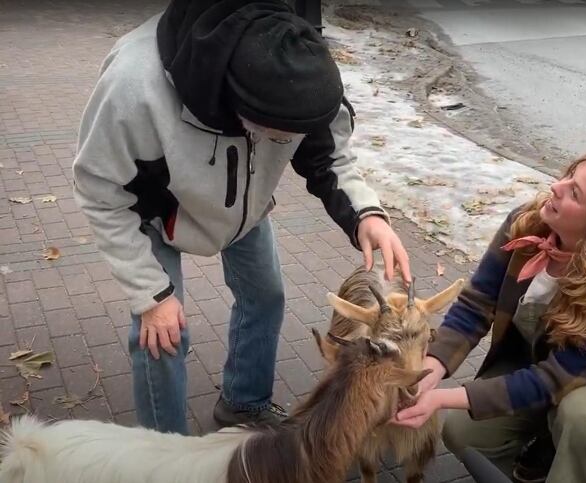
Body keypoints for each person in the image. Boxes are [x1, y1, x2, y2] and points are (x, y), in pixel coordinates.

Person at [73, 0, 411, 435]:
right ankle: (164, 450)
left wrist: (366, 215)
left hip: (243, 212)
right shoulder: (134, 87)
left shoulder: (301, 70)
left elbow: (330, 154)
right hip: (158, 211)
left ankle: (243, 404)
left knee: (266, 297)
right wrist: (151, 296)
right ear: (235, 102)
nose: (289, 144)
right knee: (162, 335)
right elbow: (101, 191)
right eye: (277, 137)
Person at [394, 148, 586, 483]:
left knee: (583, 415)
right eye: (568, 175)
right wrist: (431, 369)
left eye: (575, 193)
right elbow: (477, 303)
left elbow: (554, 379)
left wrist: (442, 398)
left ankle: (577, 468)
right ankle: (544, 459)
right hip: (545, 355)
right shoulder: (528, 223)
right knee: (464, 431)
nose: (556, 187)